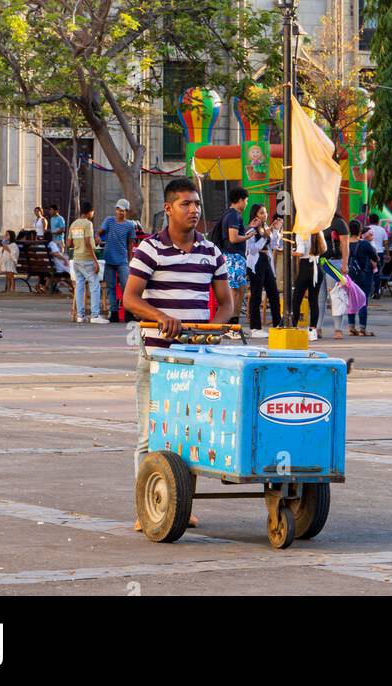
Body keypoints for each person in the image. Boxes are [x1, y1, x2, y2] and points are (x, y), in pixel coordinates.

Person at [123, 176, 233, 529]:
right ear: (168, 208)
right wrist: (160, 317)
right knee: (150, 435)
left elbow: (227, 303)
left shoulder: (211, 252)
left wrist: (212, 330)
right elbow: (130, 299)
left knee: (189, 435)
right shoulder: (150, 249)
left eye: (196, 204)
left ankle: (180, 506)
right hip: (156, 356)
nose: (193, 210)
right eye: (186, 204)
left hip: (196, 358)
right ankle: (146, 509)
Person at [68, 202, 107, 324]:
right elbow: (88, 243)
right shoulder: (88, 224)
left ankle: (80, 316)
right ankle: (95, 315)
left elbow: (69, 243)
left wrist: (78, 245)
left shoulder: (74, 224)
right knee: (95, 286)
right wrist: (95, 261)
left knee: (80, 287)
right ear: (90, 212)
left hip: (76, 259)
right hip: (87, 259)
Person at [246, 203, 281, 337]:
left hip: (267, 261)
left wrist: (276, 230)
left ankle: (278, 324)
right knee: (256, 295)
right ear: (255, 215)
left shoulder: (266, 227)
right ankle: (255, 328)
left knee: (274, 294)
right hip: (256, 264)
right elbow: (252, 250)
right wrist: (264, 237)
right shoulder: (251, 230)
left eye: (265, 212)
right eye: (261, 213)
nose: (264, 215)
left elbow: (274, 245)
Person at [99, 199, 136, 322]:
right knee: (111, 287)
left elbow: (130, 243)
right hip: (108, 259)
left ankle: (128, 313)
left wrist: (130, 260)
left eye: (123, 210)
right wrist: (98, 236)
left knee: (126, 286)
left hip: (122, 260)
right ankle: (114, 312)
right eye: (118, 209)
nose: (120, 212)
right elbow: (100, 232)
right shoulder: (109, 221)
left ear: (126, 212)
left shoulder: (130, 225)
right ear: (116, 210)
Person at [217, 186, 250, 321]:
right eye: (246, 201)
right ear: (240, 200)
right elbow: (233, 238)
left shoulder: (229, 214)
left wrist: (249, 229)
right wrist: (248, 236)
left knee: (240, 289)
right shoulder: (233, 216)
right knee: (235, 291)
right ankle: (230, 321)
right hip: (233, 256)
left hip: (233, 256)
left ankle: (234, 320)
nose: (246, 204)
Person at [318, 210, 351, 339]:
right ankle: (317, 328)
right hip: (319, 262)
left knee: (336, 296)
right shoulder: (317, 222)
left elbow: (345, 245)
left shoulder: (339, 223)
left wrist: (345, 264)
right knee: (319, 298)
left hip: (334, 263)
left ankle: (338, 329)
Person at [292, 229, 327, 338]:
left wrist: (290, 252)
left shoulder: (301, 232)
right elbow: (324, 249)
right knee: (313, 300)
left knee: (297, 299)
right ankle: (313, 330)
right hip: (317, 267)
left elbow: (301, 252)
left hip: (305, 268)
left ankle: (293, 327)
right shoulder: (319, 231)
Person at [347, 220, 378, 336]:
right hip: (364, 275)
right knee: (363, 301)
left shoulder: (344, 243)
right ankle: (362, 329)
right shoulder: (365, 244)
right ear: (360, 231)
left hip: (349, 276)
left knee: (351, 300)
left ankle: (351, 328)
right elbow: (375, 258)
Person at [365, 213, 387, 297]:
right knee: (377, 273)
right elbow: (386, 243)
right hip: (379, 253)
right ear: (378, 221)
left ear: (369, 220)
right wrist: (387, 254)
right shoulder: (382, 230)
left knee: (367, 273)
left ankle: (367, 292)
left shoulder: (366, 229)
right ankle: (377, 292)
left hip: (368, 253)